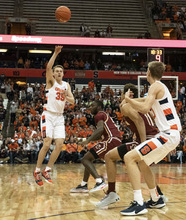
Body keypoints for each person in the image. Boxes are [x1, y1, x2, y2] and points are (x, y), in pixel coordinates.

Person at [120, 61, 182, 215]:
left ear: (148, 72)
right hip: (169, 135)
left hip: (168, 134)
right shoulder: (157, 88)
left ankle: (138, 203)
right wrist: (127, 100)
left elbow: (144, 108)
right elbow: (143, 101)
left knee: (129, 158)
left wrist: (127, 100)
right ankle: (156, 199)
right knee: (142, 162)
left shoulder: (156, 86)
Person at [96, 83, 166, 208]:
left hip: (146, 139)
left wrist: (143, 143)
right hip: (155, 138)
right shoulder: (142, 106)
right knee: (143, 166)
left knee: (109, 157)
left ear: (125, 94)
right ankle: (158, 194)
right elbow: (151, 120)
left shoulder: (126, 106)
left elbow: (139, 122)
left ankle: (112, 193)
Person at [33, 46, 75, 186]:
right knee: (46, 143)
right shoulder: (50, 82)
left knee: (59, 144)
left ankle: (48, 169)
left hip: (59, 117)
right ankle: (37, 170)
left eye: (60, 71)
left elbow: (73, 101)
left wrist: (66, 97)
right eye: (56, 71)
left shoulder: (66, 85)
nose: (58, 73)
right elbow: (49, 67)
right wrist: (56, 53)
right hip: (48, 115)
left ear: (63, 73)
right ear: (53, 74)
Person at [70, 100, 121, 193]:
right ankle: (83, 185)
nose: (90, 108)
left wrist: (88, 141)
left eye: (92, 106)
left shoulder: (99, 115)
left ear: (98, 107)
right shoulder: (104, 115)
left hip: (111, 140)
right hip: (114, 140)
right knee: (88, 159)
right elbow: (98, 134)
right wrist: (84, 140)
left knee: (85, 160)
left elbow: (100, 129)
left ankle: (99, 181)